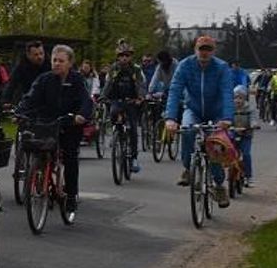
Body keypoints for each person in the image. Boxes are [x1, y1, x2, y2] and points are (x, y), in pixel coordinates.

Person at [15, 44, 93, 216]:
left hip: (69, 124)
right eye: (54, 60)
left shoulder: (77, 80)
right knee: (39, 149)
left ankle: (71, 195)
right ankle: (41, 178)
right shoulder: (44, 80)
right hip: (47, 123)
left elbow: (86, 101)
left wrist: (81, 115)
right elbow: (30, 98)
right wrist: (20, 112)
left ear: (70, 63)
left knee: (71, 156)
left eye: (61, 61)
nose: (57, 64)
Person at [164, 35, 234, 207]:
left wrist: (226, 118)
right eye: (201, 49)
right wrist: (171, 118)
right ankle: (188, 168)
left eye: (208, 49)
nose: (204, 53)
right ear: (195, 49)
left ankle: (219, 185)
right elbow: (175, 91)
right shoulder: (185, 66)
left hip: (216, 113)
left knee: (215, 145)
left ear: (213, 51)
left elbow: (227, 93)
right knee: (187, 130)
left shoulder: (222, 67)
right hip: (193, 109)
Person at [101, 39, 147, 174]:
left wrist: (140, 97)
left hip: (132, 101)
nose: (124, 58)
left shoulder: (136, 69)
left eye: (127, 55)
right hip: (116, 99)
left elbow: (140, 84)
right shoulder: (113, 68)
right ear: (118, 57)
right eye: (121, 56)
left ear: (131, 57)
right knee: (114, 113)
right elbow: (108, 83)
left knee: (133, 128)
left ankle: (133, 158)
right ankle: (117, 134)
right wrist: (103, 96)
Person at [1, 39, 47, 108]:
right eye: (36, 54)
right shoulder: (21, 66)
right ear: (28, 55)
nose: (39, 57)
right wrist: (6, 101)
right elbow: (12, 84)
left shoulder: (50, 64)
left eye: (41, 53)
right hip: (29, 98)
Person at [231, 84, 257, 187]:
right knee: (228, 152)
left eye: (240, 98)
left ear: (245, 98)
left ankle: (248, 176)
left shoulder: (249, 108)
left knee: (246, 154)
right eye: (236, 98)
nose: (238, 100)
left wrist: (253, 125)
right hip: (232, 133)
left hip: (246, 134)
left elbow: (253, 118)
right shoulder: (230, 108)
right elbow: (226, 118)